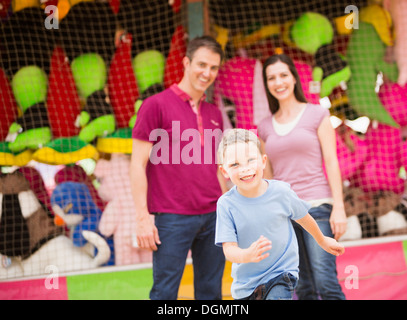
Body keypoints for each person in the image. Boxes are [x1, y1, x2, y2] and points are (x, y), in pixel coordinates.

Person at [130, 35, 227, 300]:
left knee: (211, 293)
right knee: (164, 294)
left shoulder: (214, 113)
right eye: (202, 64)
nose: (207, 73)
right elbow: (137, 165)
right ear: (186, 62)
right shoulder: (155, 105)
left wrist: (229, 211)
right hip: (171, 218)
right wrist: (143, 218)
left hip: (213, 217)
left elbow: (218, 169)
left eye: (214, 68)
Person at [215, 129, 345, 300]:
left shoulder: (281, 192)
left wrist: (322, 240)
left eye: (250, 160)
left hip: (280, 273)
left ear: (263, 162)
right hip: (246, 285)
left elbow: (304, 218)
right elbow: (229, 249)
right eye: (235, 165)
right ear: (224, 172)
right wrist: (246, 255)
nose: (244, 169)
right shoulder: (226, 204)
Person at [258, 53, 348, 300]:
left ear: (294, 78)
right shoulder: (264, 127)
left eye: (283, 75)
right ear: (266, 84)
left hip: (317, 208)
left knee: (325, 282)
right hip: (284, 215)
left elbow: (331, 161)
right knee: (302, 287)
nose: (279, 82)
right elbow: (268, 177)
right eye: (271, 78)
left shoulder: (317, 114)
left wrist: (339, 207)